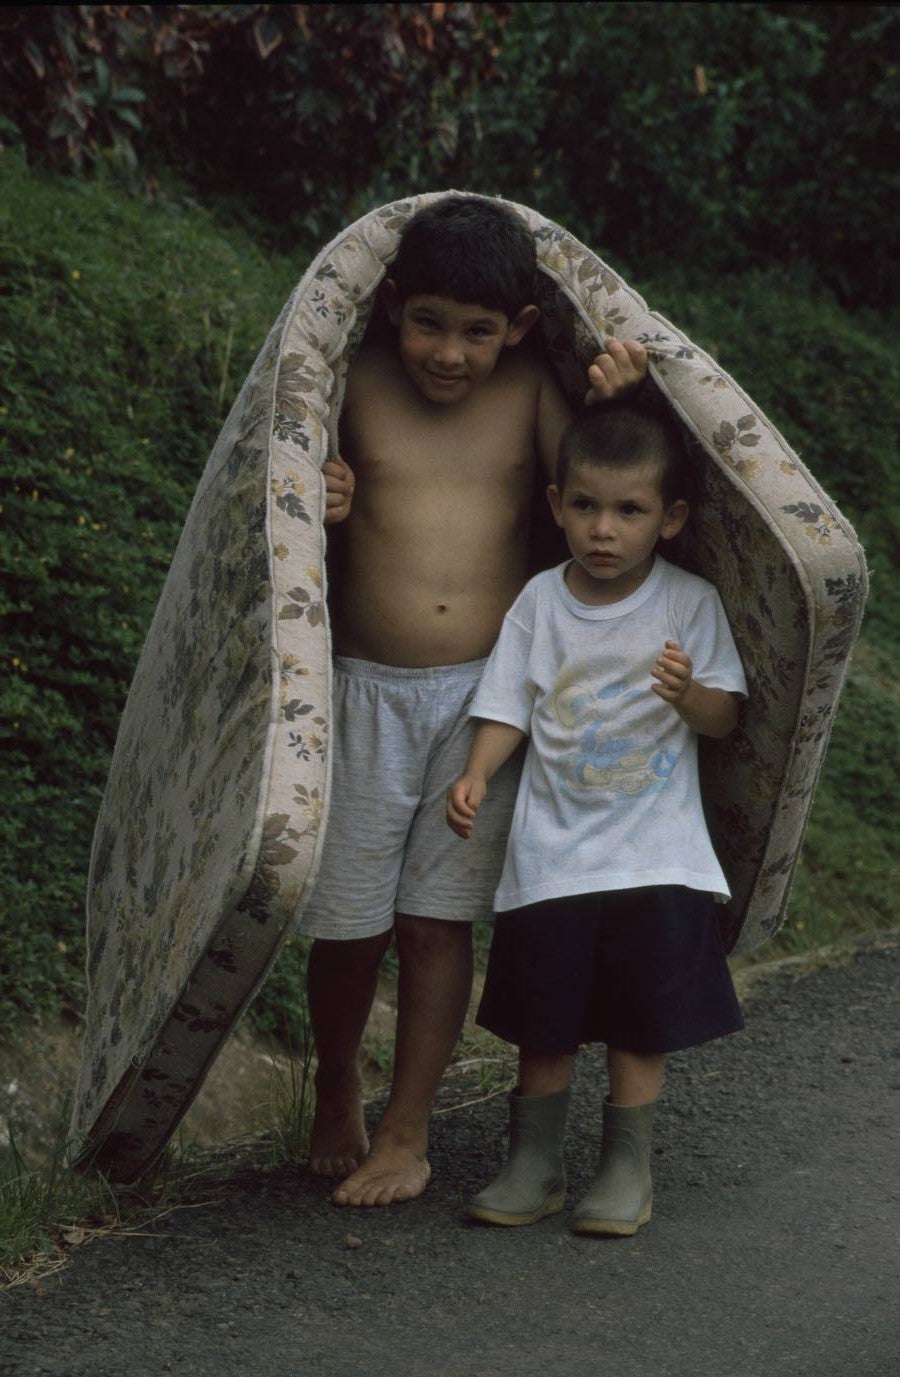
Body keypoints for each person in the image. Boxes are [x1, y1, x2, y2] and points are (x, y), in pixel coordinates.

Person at [300, 194, 649, 1208]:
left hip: (486, 700)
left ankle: (407, 1133)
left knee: (435, 924)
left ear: (522, 329)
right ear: (392, 308)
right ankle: (336, 1088)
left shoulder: (534, 394)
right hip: (361, 689)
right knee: (349, 926)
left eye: (478, 332)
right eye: (430, 324)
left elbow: (603, 496)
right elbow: (279, 523)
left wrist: (627, 401)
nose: (450, 355)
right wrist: (314, 499)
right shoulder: (351, 386)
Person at [446, 403, 747, 1235]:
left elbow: (725, 716)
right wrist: (476, 773)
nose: (603, 530)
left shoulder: (688, 604)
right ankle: (533, 1161)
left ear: (671, 518)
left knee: (637, 1018)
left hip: (655, 852)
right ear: (556, 503)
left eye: (629, 510)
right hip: (553, 850)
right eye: (585, 506)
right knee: (543, 1016)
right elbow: (509, 700)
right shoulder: (542, 601)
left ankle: (625, 1166)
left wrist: (689, 694)